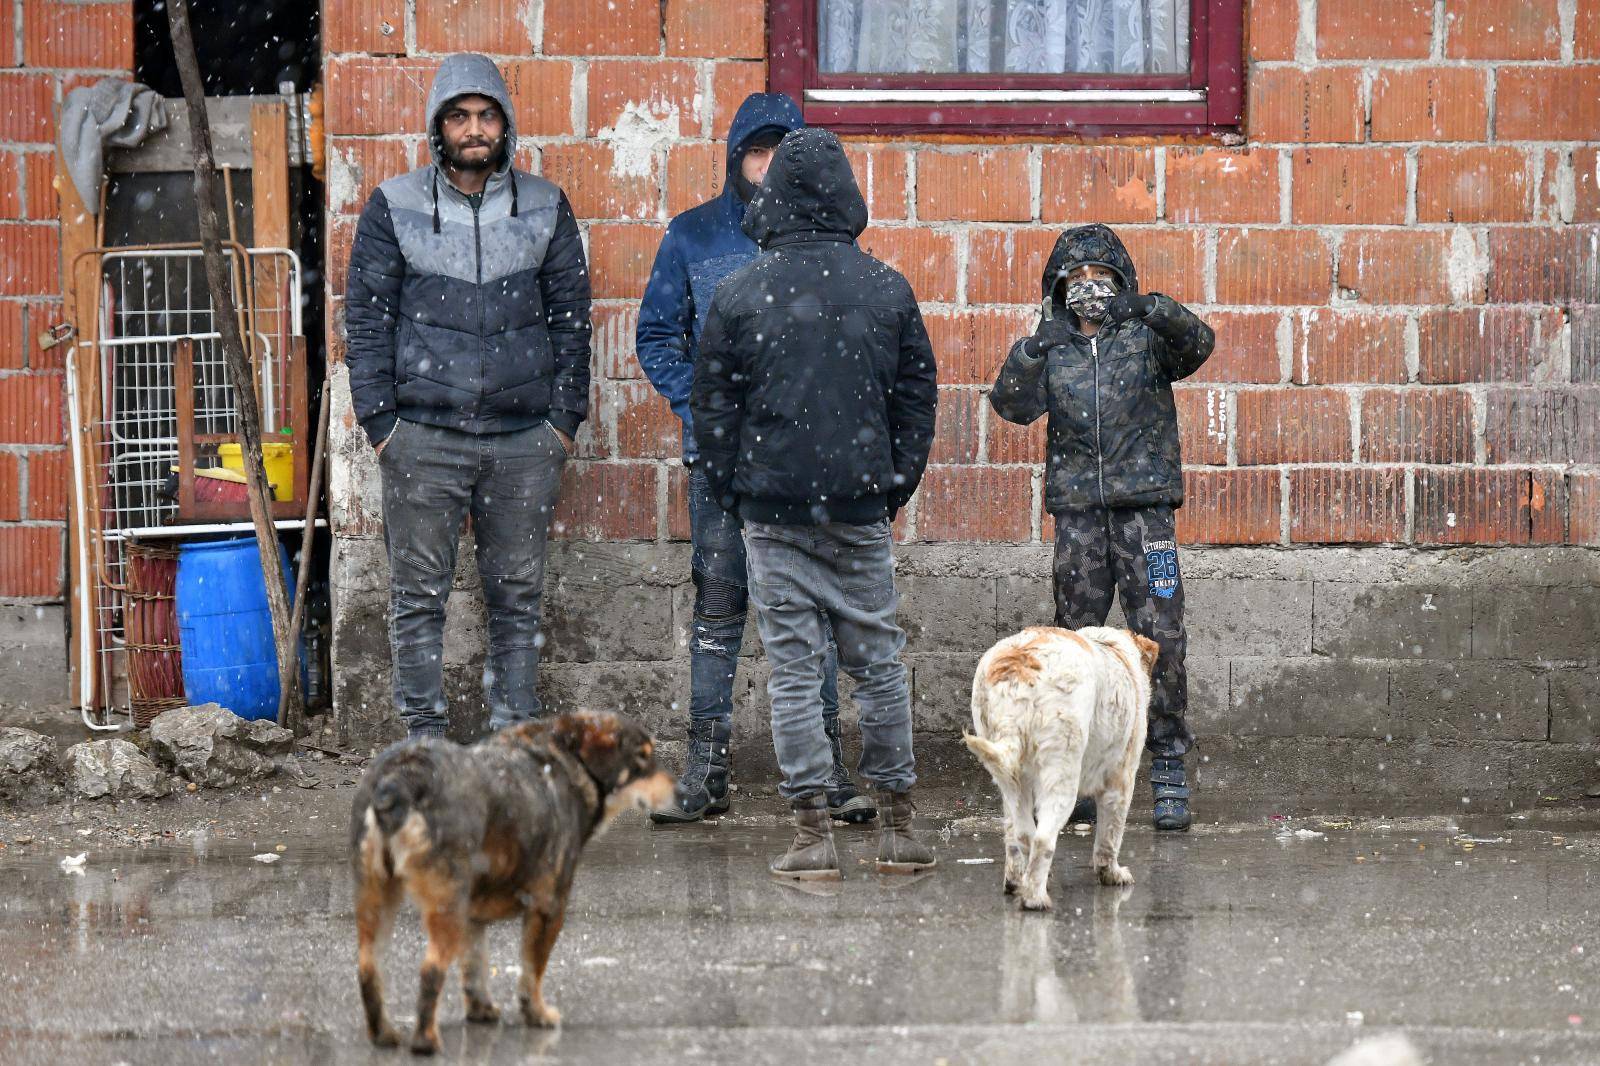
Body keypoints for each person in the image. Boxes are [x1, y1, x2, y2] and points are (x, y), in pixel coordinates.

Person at [690, 128, 939, 880]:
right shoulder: (887, 288)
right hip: (860, 512)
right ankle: (897, 829)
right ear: (846, 196)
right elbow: (917, 402)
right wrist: (892, 486)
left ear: (772, 201)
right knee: (878, 667)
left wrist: (741, 492)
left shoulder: (739, 293)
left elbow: (712, 415)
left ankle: (811, 839)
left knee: (795, 672)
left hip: (773, 516)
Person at [637, 93, 873, 825]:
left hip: (803, 465)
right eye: (756, 153)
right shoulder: (693, 238)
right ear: (736, 157)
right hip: (720, 466)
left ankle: (826, 772)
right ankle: (707, 769)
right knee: (718, 607)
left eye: (781, 153)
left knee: (810, 608)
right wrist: (704, 413)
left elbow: (848, 341)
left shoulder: (830, 246)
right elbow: (657, 339)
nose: (767, 169)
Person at [344, 53, 591, 739]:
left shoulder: (544, 205)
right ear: (438, 126)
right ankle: (424, 739)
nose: (474, 129)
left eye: (486, 116)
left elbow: (572, 316)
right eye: (460, 116)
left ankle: (512, 737)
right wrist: (381, 424)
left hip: (522, 442)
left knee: (517, 596)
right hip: (422, 437)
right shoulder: (394, 206)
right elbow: (366, 320)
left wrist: (563, 422)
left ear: (504, 124)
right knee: (417, 598)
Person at [990, 224, 1214, 831]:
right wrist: (1035, 347)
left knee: (1160, 635)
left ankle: (1166, 763)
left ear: (1120, 285)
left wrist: (1151, 309)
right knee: (1074, 644)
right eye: (1077, 280)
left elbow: (1198, 344)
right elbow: (1009, 404)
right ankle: (1080, 776)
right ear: (1059, 290)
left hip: (1146, 513)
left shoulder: (1146, 339)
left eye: (1103, 279)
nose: (1090, 289)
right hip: (1079, 516)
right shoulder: (1055, 346)